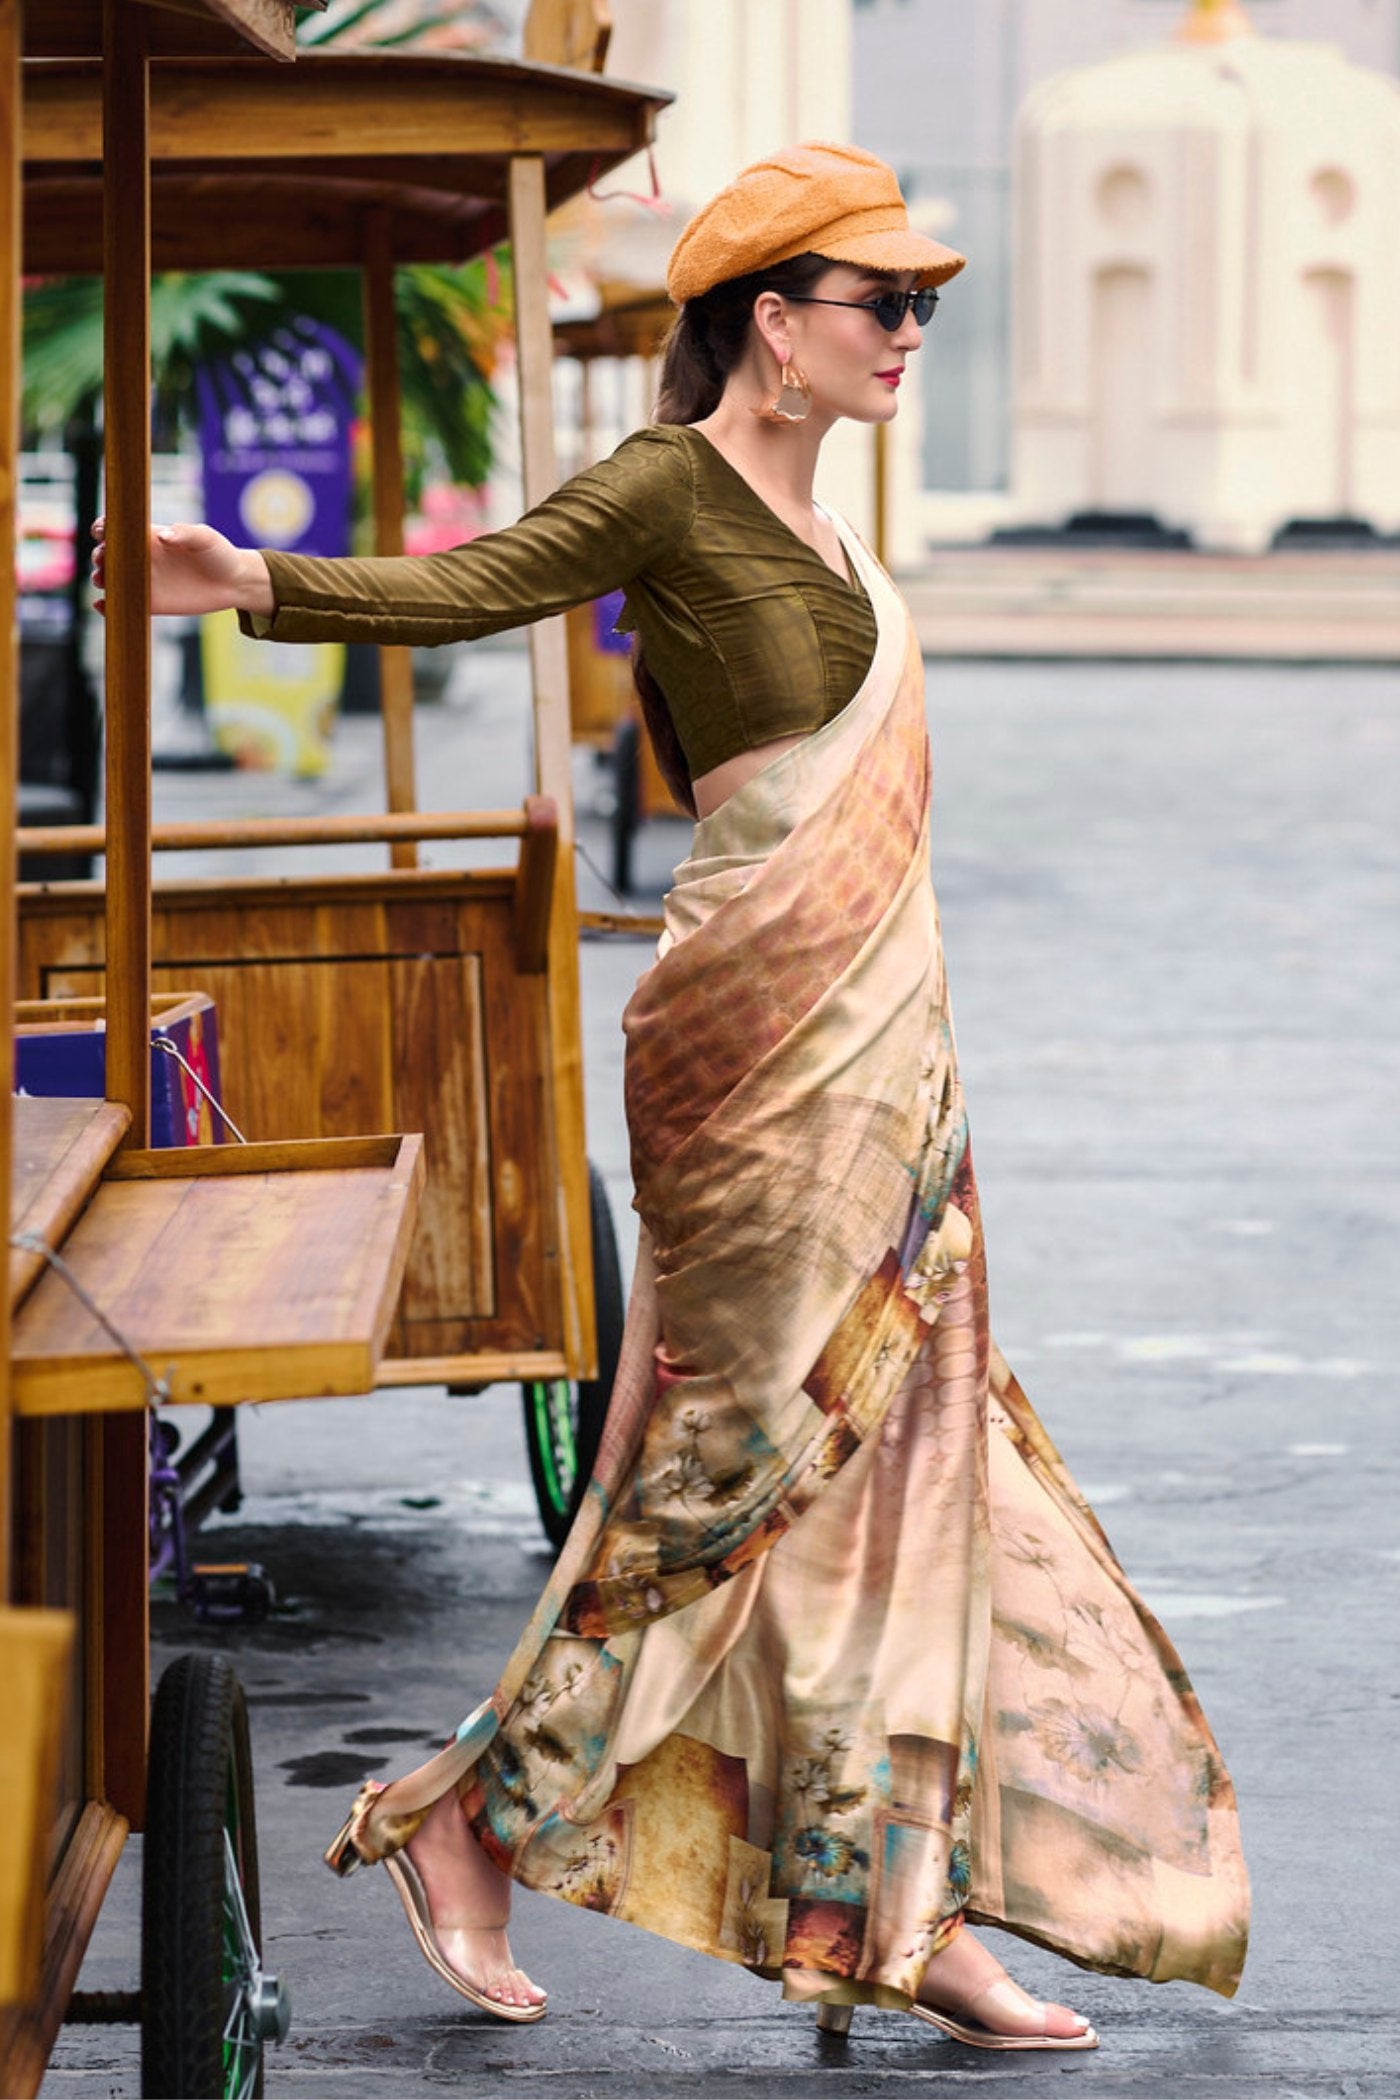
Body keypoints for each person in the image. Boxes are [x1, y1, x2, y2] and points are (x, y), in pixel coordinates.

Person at [95, 142, 1249, 2050]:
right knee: (726, 1478)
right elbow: (477, 584)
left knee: (906, 1469)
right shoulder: (667, 489)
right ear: (772, 325)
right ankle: (466, 1816)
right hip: (754, 1046)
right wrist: (257, 581)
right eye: (883, 305)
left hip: (892, 1049)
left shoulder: (843, 542)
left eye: (923, 309)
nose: (910, 337)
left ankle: (907, 1899)